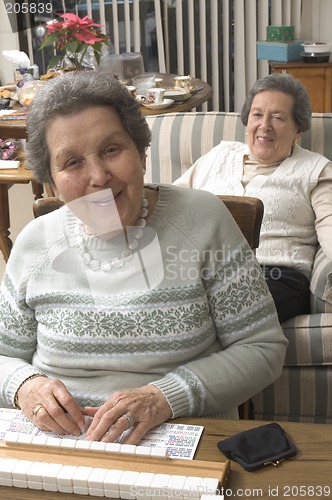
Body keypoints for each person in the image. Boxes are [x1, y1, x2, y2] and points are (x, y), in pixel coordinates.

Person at [0, 70, 287, 445]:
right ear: (52, 179)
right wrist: (25, 386)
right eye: (72, 163)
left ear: (141, 152)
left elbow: (263, 349)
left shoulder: (203, 219)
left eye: (111, 150)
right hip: (58, 450)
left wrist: (164, 397)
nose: (99, 176)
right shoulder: (35, 242)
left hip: (178, 441)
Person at [174, 73, 332, 324]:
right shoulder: (220, 155)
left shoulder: (316, 170)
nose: (264, 125)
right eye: (257, 114)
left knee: (207, 316)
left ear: (298, 130)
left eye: (278, 118)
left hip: (276, 275)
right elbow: (171, 201)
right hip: (203, 271)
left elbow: (330, 226)